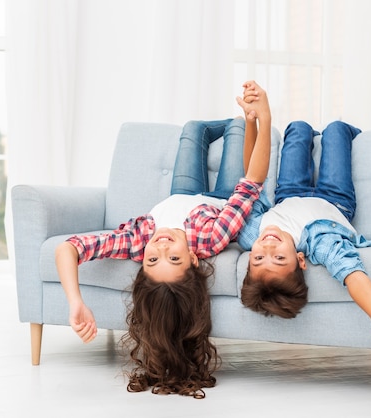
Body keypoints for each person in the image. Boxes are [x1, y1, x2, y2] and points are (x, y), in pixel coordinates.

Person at [55, 81, 272, 397]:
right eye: (175, 257)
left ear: (142, 262)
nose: (162, 246)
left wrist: (75, 301)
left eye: (153, 259)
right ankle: (237, 124)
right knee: (238, 127)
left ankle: (224, 126)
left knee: (193, 129)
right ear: (194, 259)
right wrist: (260, 120)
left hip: (181, 193)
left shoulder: (138, 240)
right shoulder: (210, 238)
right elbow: (251, 182)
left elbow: (69, 248)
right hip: (221, 195)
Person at [237, 120, 371, 362]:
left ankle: (309, 136)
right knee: (336, 130)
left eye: (259, 258)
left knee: (297, 128)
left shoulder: (250, 232)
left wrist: (253, 122)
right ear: (300, 260)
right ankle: (344, 136)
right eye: (279, 258)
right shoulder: (318, 242)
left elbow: (251, 183)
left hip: (289, 193)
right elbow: (351, 273)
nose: (268, 246)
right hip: (334, 199)